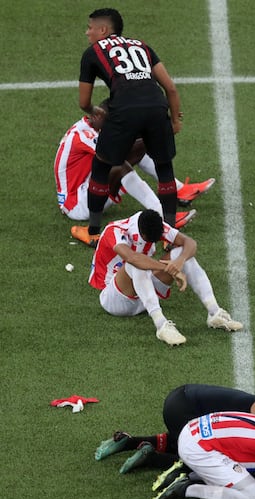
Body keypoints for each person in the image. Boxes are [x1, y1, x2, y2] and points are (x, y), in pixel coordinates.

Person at [72, 8, 185, 246]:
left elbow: (84, 102)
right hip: (156, 105)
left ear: (103, 30)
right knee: (164, 168)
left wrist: (93, 110)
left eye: (90, 28)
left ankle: (92, 232)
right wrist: (175, 120)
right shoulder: (142, 46)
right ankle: (171, 235)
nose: (87, 33)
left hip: (123, 109)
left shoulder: (92, 52)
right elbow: (171, 88)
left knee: (102, 166)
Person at [89, 210, 243, 346]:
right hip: (115, 298)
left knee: (182, 253)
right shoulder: (115, 231)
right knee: (137, 263)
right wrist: (169, 269)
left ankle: (214, 312)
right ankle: (161, 325)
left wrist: (179, 262)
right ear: (142, 234)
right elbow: (133, 258)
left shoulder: (155, 225)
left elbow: (190, 243)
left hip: (143, 293)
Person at [54, 102, 214, 227]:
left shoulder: (95, 126)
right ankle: (162, 215)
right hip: (76, 204)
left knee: (137, 152)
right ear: (96, 116)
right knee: (120, 166)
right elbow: (120, 152)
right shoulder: (83, 136)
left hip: (87, 187)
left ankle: (180, 190)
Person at [94, 384, 255, 477]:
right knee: (207, 460)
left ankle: (128, 441)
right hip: (186, 407)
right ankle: (151, 459)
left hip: (180, 400)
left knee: (192, 439)